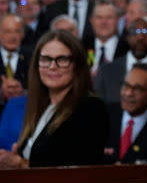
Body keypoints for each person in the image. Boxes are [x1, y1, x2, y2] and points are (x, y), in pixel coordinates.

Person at [0, 30, 107, 168]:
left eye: (62, 59)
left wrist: (20, 164)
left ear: (77, 65)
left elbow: (77, 172)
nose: (52, 66)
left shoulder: (91, 107)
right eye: (45, 59)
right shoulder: (42, 106)